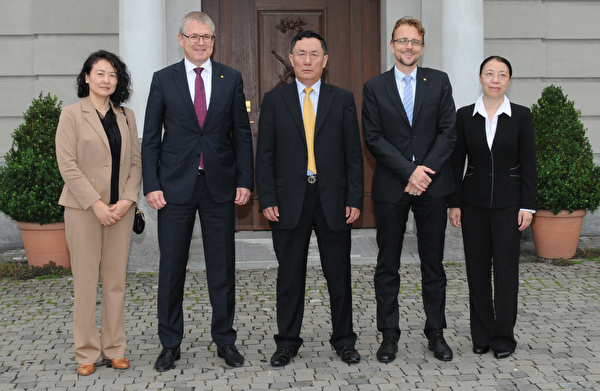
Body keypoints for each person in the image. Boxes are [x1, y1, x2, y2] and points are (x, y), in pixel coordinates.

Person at [141, 11, 254, 371]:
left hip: (219, 187)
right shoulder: (163, 80)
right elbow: (151, 140)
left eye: (207, 37)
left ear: (213, 40)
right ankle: (169, 345)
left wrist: (245, 180)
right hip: (174, 189)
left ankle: (225, 340)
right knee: (171, 268)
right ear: (181, 40)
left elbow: (242, 135)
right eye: (194, 36)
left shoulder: (230, 78)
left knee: (222, 268)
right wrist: (152, 185)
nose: (201, 42)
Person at [255, 30, 364, 366]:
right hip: (288, 201)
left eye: (314, 54)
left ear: (325, 61)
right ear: (291, 59)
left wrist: (355, 199)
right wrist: (267, 197)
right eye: (301, 53)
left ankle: (344, 340)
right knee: (289, 275)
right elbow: (265, 155)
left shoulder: (342, 99)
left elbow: (353, 155)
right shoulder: (274, 100)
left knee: (339, 275)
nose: (307, 60)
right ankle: (287, 342)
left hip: (333, 200)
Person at [362, 17, 457, 363]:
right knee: (387, 265)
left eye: (414, 42)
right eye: (402, 41)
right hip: (391, 185)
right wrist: (408, 171)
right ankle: (389, 335)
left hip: (433, 186)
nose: (408, 47)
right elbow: (373, 137)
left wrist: (424, 173)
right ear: (392, 46)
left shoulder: (439, 82)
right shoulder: (374, 87)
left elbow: (449, 131)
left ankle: (436, 333)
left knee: (433, 264)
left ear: (421, 46)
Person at [55, 50, 142, 376]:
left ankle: (114, 348)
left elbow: (135, 163)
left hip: (120, 212)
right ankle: (87, 352)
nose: (106, 80)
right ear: (87, 77)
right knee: (87, 283)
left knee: (116, 282)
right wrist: (95, 204)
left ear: (118, 81)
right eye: (100, 73)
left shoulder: (127, 116)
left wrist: (127, 200)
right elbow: (68, 165)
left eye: (113, 75)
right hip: (83, 211)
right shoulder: (71, 115)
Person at [448, 56, 537, 359]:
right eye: (489, 73)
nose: (495, 79)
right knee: (476, 271)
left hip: (510, 206)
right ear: (480, 77)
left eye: (501, 74)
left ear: (509, 80)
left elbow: (529, 165)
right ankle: (481, 335)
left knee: (506, 272)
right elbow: (456, 162)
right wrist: (454, 203)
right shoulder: (464, 116)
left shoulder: (522, 116)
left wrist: (528, 205)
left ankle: (503, 338)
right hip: (472, 205)